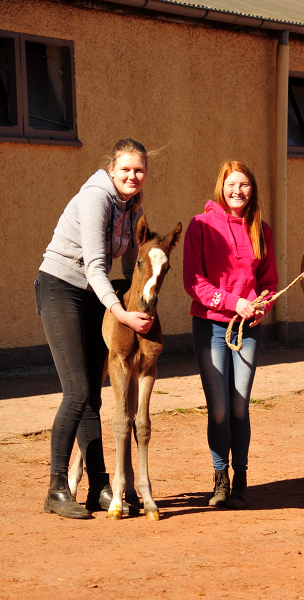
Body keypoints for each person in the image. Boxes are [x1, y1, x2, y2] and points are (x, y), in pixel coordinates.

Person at [35, 138, 155, 519]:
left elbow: (133, 262)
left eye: (139, 170)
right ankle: (56, 488)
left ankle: (100, 486)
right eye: (125, 170)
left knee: (93, 394)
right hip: (60, 288)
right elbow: (94, 265)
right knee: (77, 391)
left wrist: (142, 296)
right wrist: (121, 313)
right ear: (111, 170)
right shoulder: (96, 199)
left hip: (91, 296)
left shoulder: (133, 206)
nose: (132, 176)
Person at [183, 160, 278, 509]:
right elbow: (193, 281)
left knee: (239, 405)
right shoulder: (200, 226)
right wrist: (232, 301)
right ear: (220, 187)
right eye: (231, 184)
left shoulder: (261, 229)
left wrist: (260, 307)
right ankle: (219, 478)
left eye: (245, 185)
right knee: (219, 408)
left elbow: (268, 283)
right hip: (209, 325)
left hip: (247, 328)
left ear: (252, 190)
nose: (237, 191)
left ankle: (241, 477)